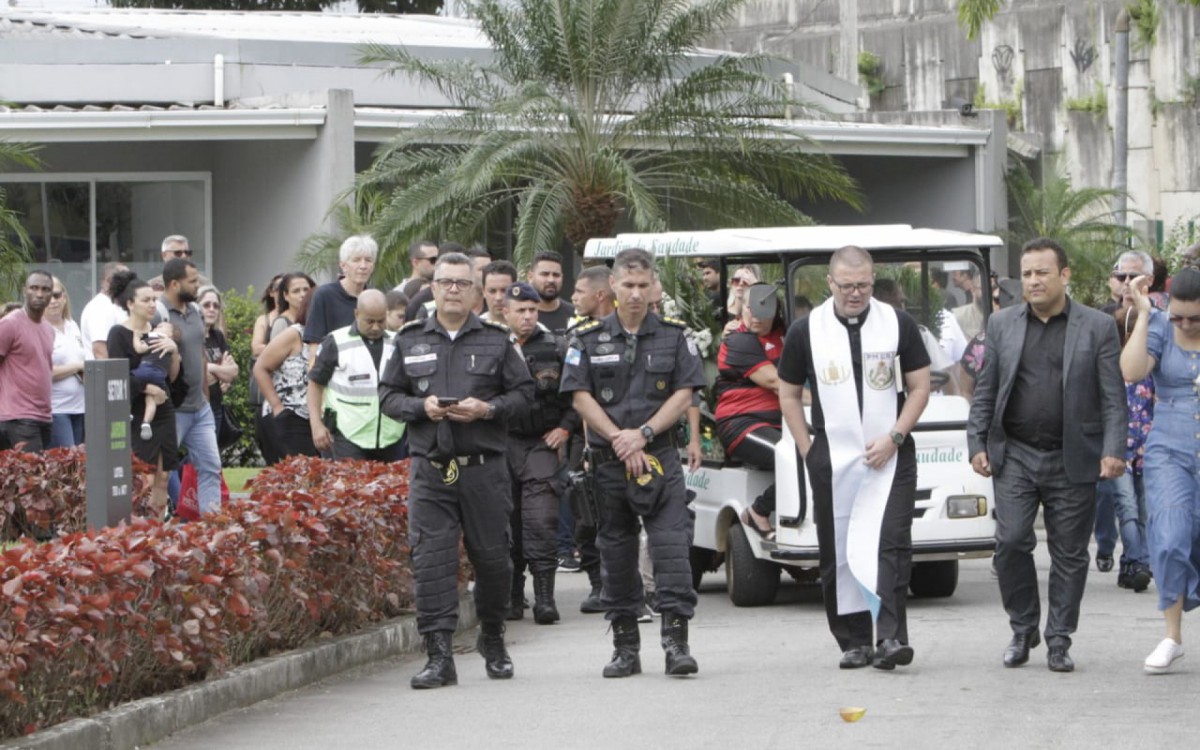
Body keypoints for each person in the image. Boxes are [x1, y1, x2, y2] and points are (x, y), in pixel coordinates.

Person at [967, 237, 1127, 674]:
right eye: (1028, 273)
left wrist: (1114, 449)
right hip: (1015, 453)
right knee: (1012, 541)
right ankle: (1023, 628)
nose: (1033, 282)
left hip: (1074, 455)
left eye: (1042, 272)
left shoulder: (1096, 326)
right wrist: (976, 442)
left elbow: (1113, 396)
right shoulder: (1002, 325)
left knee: (1070, 554)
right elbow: (985, 390)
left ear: (1064, 275)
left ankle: (1059, 638)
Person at [379, 252, 534, 689]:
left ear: (476, 291)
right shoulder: (409, 339)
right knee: (431, 561)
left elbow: (524, 397)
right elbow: (388, 396)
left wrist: (488, 409)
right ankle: (439, 656)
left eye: (461, 283)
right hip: (432, 470)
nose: (452, 289)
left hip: (484, 470)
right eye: (444, 281)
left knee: (493, 560)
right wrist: (420, 408)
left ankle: (493, 637)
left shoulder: (497, 340)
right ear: (432, 287)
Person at [777, 246, 931, 671]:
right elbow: (787, 392)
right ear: (830, 283)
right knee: (839, 546)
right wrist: (808, 448)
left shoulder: (896, 323)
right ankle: (853, 639)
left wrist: (896, 435)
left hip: (891, 450)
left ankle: (890, 636)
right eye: (846, 286)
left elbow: (919, 386)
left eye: (863, 285)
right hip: (833, 452)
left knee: (891, 544)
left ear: (872, 279)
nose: (856, 294)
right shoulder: (806, 330)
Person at [560, 247, 707, 679]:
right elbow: (579, 395)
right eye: (628, 286)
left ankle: (676, 644)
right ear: (613, 289)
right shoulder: (585, 338)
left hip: (659, 456)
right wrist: (619, 440)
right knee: (617, 553)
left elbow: (686, 391)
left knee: (671, 549)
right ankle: (625, 648)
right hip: (608, 462)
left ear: (654, 287)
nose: (637, 294)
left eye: (644, 285)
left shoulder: (675, 336)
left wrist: (642, 435)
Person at [1120, 269, 1200, 673]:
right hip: (1170, 449)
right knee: (1168, 539)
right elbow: (1132, 371)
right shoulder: (1161, 328)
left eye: (1194, 319)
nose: (1184, 324)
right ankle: (1172, 635)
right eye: (1178, 317)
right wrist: (1146, 314)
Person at [502, 282, 578, 624]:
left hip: (541, 443)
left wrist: (566, 427)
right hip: (502, 444)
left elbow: (579, 393)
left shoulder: (558, 347)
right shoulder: (493, 347)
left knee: (542, 520)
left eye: (533, 310)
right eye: (521, 310)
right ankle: (513, 598)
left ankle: (545, 598)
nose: (528, 316)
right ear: (506, 312)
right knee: (507, 523)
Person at [1094, 251, 1155, 577]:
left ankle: (1134, 562)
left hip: (1148, 436)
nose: (1127, 284)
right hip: (1114, 434)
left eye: (1134, 277)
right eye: (1121, 277)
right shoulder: (1103, 320)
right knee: (1117, 502)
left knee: (1141, 507)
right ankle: (1123, 554)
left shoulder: (1161, 321)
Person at [154, 257, 225, 516]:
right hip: (173, 411)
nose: (198, 286)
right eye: (192, 281)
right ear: (174, 284)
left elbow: (201, 354)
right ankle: (152, 534)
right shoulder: (157, 314)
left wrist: (205, 393)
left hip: (200, 408)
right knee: (160, 475)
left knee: (211, 467)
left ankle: (212, 530)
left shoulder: (194, 311)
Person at [107, 272, 180, 514]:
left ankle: (157, 532)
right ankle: (137, 530)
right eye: (145, 300)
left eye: (153, 300)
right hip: (135, 412)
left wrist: (174, 350)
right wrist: (150, 389)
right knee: (143, 477)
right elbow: (118, 376)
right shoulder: (118, 334)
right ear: (130, 304)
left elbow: (174, 377)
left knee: (164, 475)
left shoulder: (160, 331)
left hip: (164, 410)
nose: (152, 305)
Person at [717, 283, 785, 539]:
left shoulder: (786, 333)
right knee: (798, 460)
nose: (755, 317)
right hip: (742, 423)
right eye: (750, 309)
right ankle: (759, 511)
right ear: (742, 308)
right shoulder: (738, 340)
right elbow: (776, 383)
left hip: (785, 422)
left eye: (763, 310)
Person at [566, 264, 615, 613]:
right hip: (590, 443)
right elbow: (579, 396)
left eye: (579, 292)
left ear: (599, 295)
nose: (573, 298)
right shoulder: (580, 338)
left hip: (629, 441)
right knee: (586, 517)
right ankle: (599, 585)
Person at [306, 290, 405, 462]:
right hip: (348, 434)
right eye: (369, 321)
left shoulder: (399, 342)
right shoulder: (335, 342)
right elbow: (315, 384)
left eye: (381, 321)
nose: (375, 327)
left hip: (391, 436)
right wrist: (316, 425)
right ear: (356, 314)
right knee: (351, 487)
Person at [254, 286, 319, 463]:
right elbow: (260, 367)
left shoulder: (331, 337)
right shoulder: (295, 334)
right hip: (289, 414)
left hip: (315, 418)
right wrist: (277, 407)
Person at [0, 270, 56, 452]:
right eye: (34, 288)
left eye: (46, 289)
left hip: (44, 415)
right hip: (19, 416)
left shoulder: (48, 329)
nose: (40, 294)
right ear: (25, 291)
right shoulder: (10, 324)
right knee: (32, 476)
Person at [303, 235, 377, 349]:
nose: (363, 266)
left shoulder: (376, 298)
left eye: (368, 260)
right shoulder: (324, 295)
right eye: (356, 260)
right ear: (343, 265)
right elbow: (314, 345)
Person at [45, 276, 88, 448]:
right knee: (67, 463)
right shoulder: (40, 330)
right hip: (56, 408)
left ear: (64, 297)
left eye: (56, 295)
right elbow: (43, 372)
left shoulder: (73, 325)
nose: (53, 301)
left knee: (78, 463)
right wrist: (77, 367)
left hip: (79, 406)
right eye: (47, 297)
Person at [198, 287, 239, 446]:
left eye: (216, 306)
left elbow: (233, 371)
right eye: (206, 305)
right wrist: (221, 371)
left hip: (216, 404)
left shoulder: (217, 336)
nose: (211, 309)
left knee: (212, 456)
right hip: (198, 406)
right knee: (201, 455)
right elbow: (201, 373)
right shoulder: (193, 335)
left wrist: (213, 369)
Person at [250, 274, 284, 463]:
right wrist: (282, 350)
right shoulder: (264, 320)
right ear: (271, 292)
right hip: (267, 390)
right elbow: (256, 348)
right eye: (278, 288)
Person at [80, 261, 129, 359]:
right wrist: (114, 374)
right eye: (126, 279)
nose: (131, 284)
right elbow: (100, 350)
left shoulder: (117, 305)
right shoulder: (100, 308)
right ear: (108, 281)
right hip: (110, 372)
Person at [528, 250, 575, 335]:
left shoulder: (574, 315)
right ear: (530, 277)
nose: (551, 280)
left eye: (556, 275)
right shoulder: (521, 316)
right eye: (545, 274)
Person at [722, 264, 761, 336]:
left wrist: (757, 286)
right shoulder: (722, 312)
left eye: (746, 281)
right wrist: (724, 335)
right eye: (736, 280)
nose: (740, 284)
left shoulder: (761, 312)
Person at [481, 260, 518, 326]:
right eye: (492, 291)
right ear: (483, 291)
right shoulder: (473, 331)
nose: (498, 298)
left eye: (504, 291)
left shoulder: (535, 331)